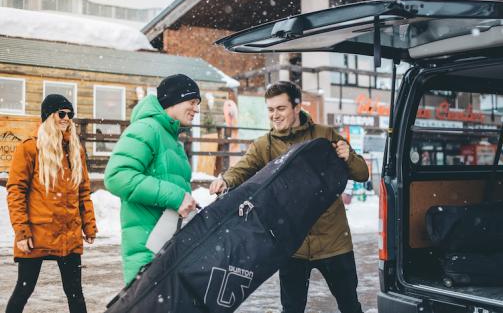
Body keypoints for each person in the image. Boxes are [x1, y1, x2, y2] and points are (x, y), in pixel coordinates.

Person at [210, 81, 369, 313]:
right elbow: (242, 169)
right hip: (292, 245)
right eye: (271, 110)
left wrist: (348, 157)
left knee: (350, 306)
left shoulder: (324, 135)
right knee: (292, 309)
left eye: (280, 108)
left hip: (333, 242)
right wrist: (225, 180)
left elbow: (362, 173)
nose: (275, 115)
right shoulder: (264, 145)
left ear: (297, 107)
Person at [6, 94, 97, 313]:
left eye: (70, 114)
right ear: (48, 116)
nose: (67, 118)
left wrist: (89, 223)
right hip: (37, 234)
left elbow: (83, 191)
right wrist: (22, 231)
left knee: (75, 292)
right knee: (24, 289)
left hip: (69, 234)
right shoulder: (29, 148)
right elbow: (16, 191)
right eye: (62, 113)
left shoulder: (76, 150)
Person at [104, 74, 199, 285]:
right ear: (174, 100)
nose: (196, 109)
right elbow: (117, 176)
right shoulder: (146, 129)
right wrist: (175, 196)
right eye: (192, 102)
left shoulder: (172, 139)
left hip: (167, 250)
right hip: (147, 253)